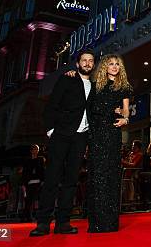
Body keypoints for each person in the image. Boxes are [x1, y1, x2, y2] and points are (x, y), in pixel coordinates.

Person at [30, 50, 95, 237]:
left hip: (81, 137)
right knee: (52, 178)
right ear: (77, 64)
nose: (88, 63)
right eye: (84, 60)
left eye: (91, 61)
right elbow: (52, 105)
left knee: (71, 180)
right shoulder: (67, 79)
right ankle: (42, 223)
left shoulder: (95, 85)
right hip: (61, 135)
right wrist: (51, 130)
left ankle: (63, 222)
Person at [86, 54, 132, 232]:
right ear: (105, 66)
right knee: (97, 176)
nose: (114, 67)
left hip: (113, 133)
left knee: (112, 175)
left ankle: (110, 222)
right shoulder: (95, 86)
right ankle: (96, 222)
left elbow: (126, 111)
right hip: (96, 134)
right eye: (111, 64)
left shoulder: (124, 87)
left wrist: (125, 120)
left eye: (117, 64)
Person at [22, 144, 45, 221]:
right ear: (31, 151)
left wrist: (43, 180)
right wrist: (24, 183)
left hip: (38, 182)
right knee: (28, 200)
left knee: (36, 199)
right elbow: (25, 172)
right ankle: (27, 216)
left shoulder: (41, 159)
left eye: (36, 149)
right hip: (29, 182)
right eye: (34, 149)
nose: (35, 151)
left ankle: (34, 216)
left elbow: (42, 170)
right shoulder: (27, 160)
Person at [122, 140, 144, 209]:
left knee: (132, 189)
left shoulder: (139, 154)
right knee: (126, 189)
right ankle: (126, 205)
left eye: (134, 145)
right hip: (126, 173)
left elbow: (134, 165)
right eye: (132, 145)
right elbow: (127, 161)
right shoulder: (131, 153)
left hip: (133, 174)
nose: (132, 147)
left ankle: (131, 205)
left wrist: (123, 162)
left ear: (137, 147)